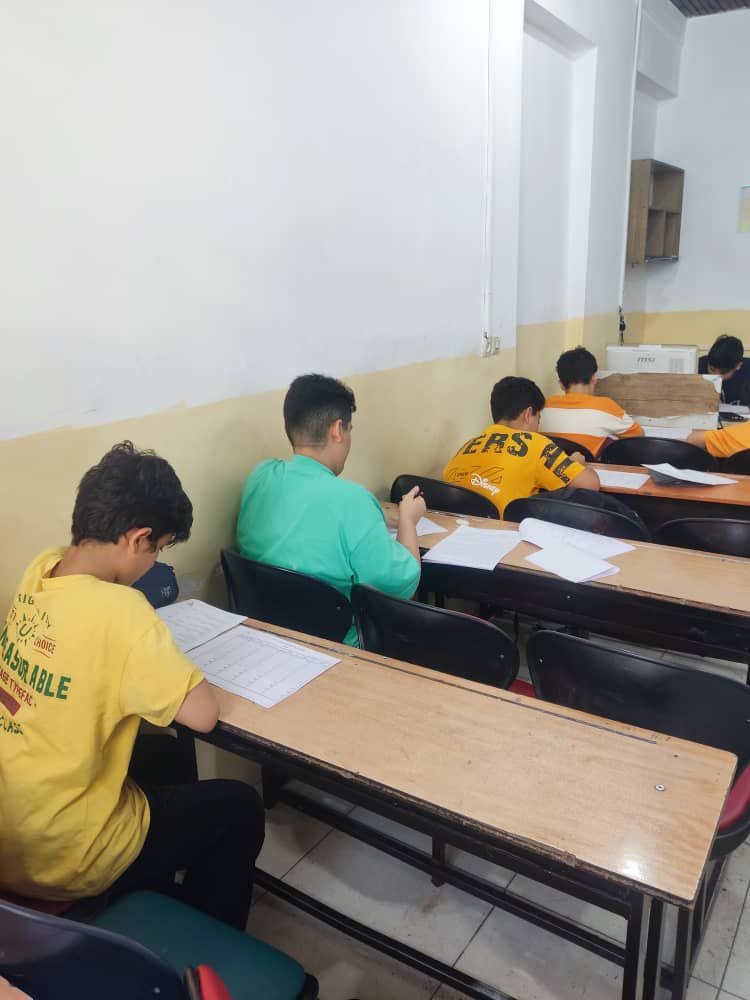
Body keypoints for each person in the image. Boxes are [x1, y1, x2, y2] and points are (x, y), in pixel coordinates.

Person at [0, 442, 264, 930]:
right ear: (138, 538)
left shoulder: (41, 570)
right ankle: (203, 940)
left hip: (12, 827)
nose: (154, 561)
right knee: (239, 808)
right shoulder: (123, 612)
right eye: (158, 549)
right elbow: (203, 716)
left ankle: (152, 889)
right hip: (65, 857)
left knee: (165, 755)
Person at [237, 374, 424, 645]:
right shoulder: (354, 500)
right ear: (338, 429)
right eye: (350, 430)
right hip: (337, 648)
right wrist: (408, 520)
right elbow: (402, 585)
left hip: (267, 636)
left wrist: (375, 514)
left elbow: (306, 511)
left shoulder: (261, 476)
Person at [443, 376, 600, 517]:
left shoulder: (467, 445)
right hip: (505, 530)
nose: (538, 426)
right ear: (528, 414)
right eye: (538, 419)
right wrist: (575, 463)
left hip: (456, 529)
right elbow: (590, 484)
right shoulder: (534, 442)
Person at [539, 346, 643, 457]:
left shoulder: (544, 406)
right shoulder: (606, 406)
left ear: (561, 384)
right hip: (585, 467)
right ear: (593, 379)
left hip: (549, 466)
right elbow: (639, 436)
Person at [698, 335, 750, 406]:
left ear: (738, 366)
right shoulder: (698, 366)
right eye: (712, 369)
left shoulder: (747, 371)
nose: (716, 376)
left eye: (723, 373)